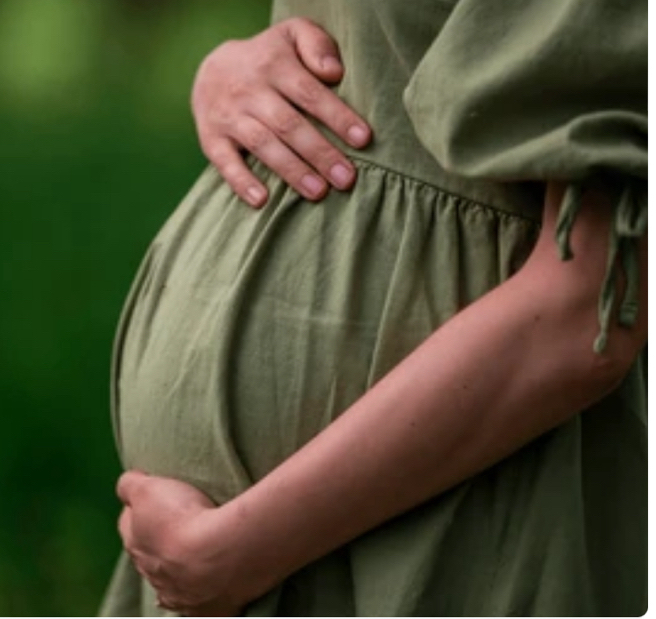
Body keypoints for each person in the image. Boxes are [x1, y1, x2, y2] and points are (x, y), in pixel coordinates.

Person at [101, 0, 647, 615]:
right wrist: (228, 71)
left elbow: (591, 309)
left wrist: (240, 549)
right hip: (225, 557)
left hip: (442, 530)